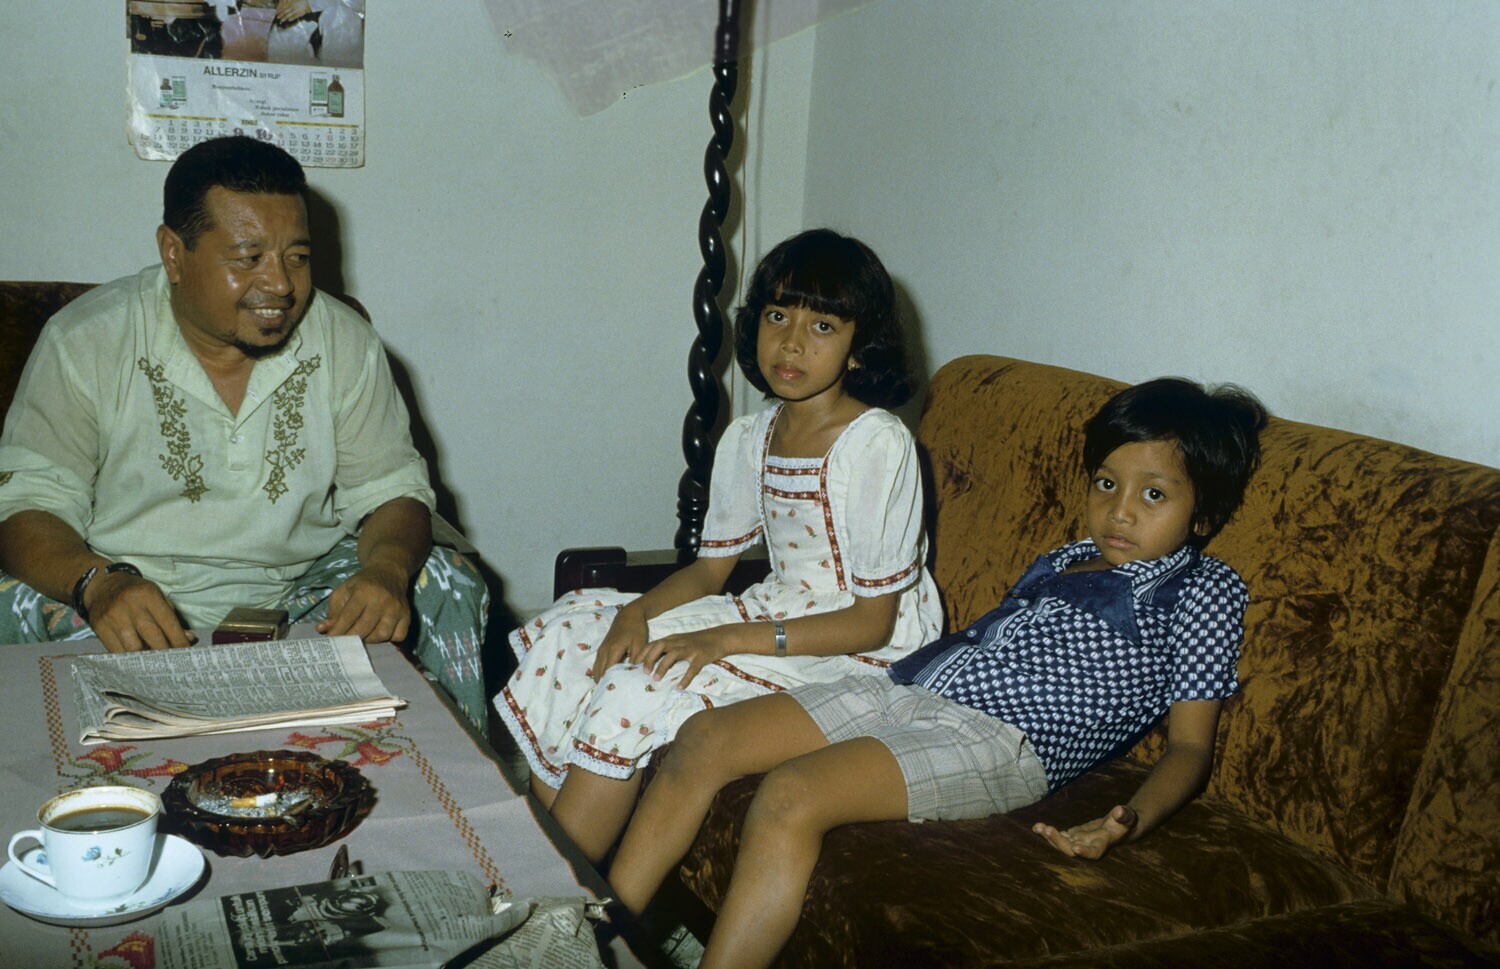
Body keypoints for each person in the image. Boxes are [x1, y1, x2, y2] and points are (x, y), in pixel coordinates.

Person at [607, 376, 1269, 968]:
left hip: (999, 738)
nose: (1120, 510)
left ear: (1205, 515)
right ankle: (598, 942)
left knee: (790, 796)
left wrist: (1128, 817)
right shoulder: (1068, 556)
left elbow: (1190, 747)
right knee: (706, 736)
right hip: (912, 684)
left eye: (1153, 493)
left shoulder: (1203, 589)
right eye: (1106, 482)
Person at [0, 135, 489, 728]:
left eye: (297, 257)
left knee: (442, 580)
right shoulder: (86, 340)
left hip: (300, 595)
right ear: (174, 254)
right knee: (12, 601)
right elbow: (26, 507)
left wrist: (385, 571)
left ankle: (454, 782)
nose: (281, 284)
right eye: (248, 258)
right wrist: (97, 585)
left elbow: (392, 491)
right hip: (119, 589)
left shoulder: (343, 340)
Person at [495, 229, 942, 863]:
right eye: (778, 316)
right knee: (572, 634)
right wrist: (636, 612)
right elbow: (709, 572)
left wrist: (720, 640)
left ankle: (556, 894)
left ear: (858, 348)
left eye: (822, 326)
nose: (791, 342)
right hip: (777, 608)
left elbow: (873, 623)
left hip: (857, 645)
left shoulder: (876, 443)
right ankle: (551, 867)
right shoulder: (750, 436)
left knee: (634, 688)